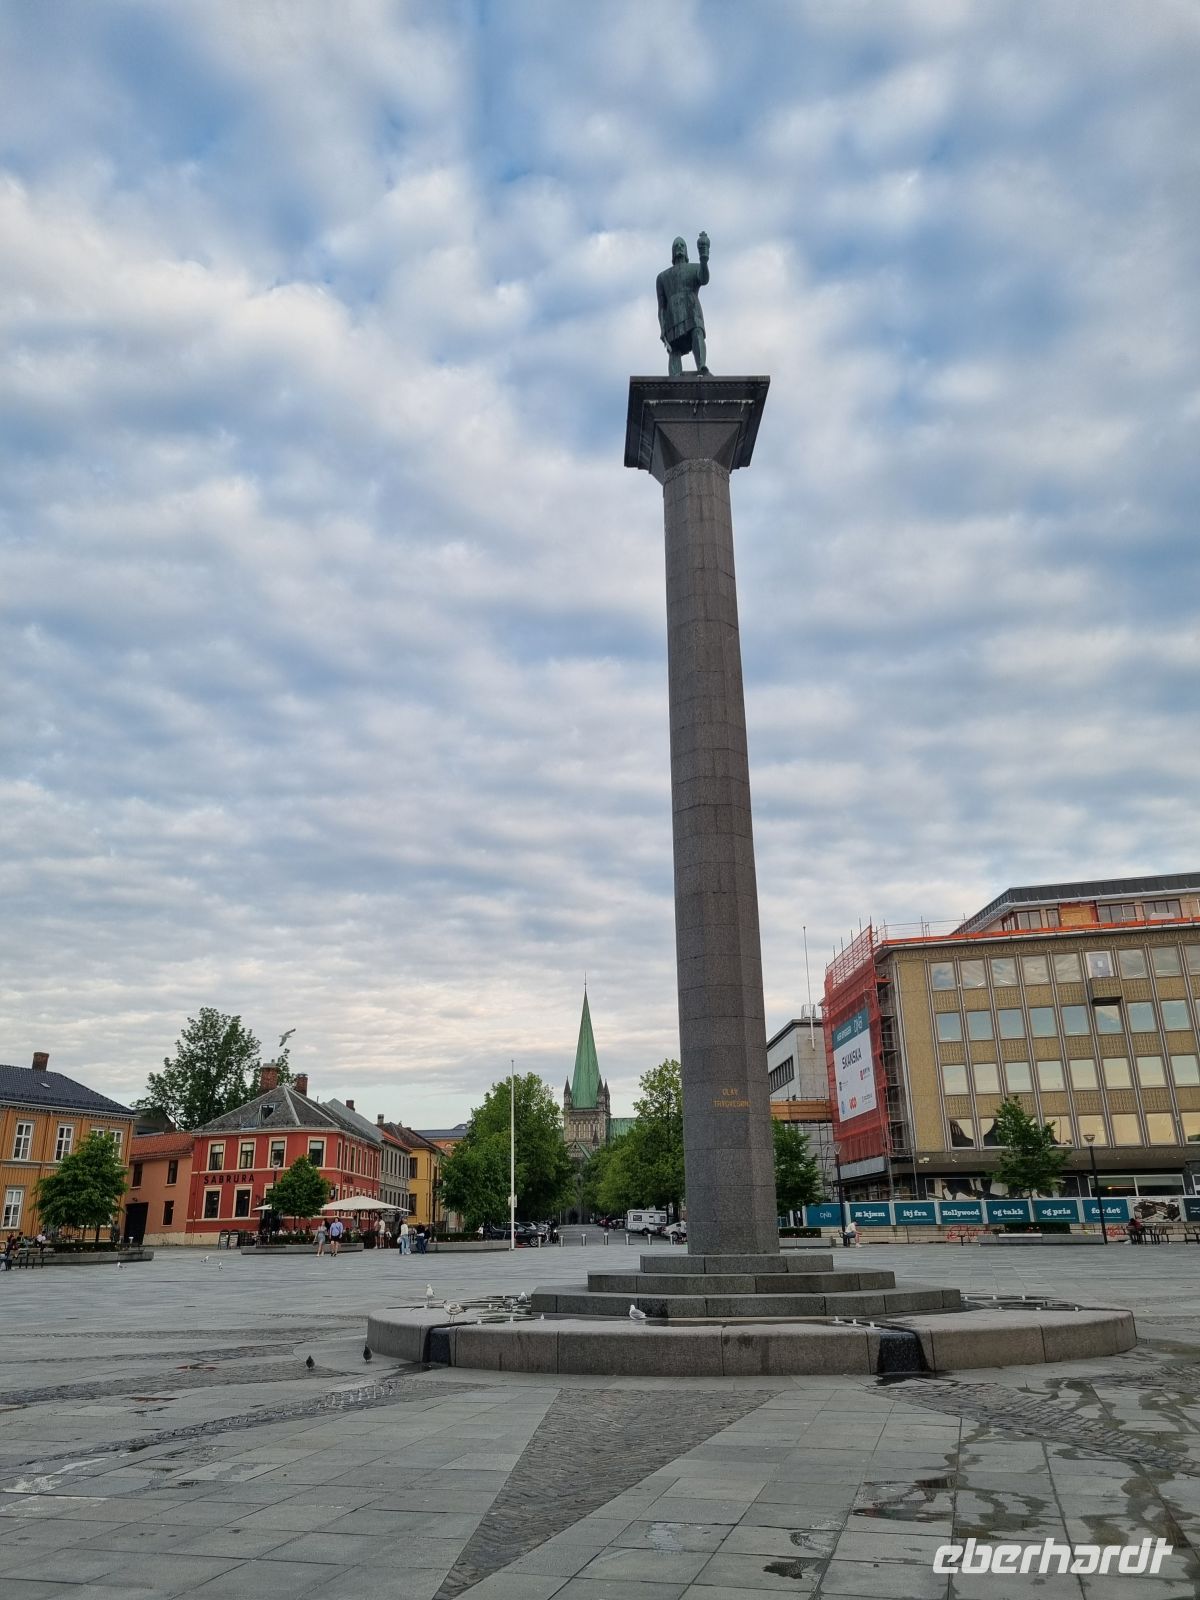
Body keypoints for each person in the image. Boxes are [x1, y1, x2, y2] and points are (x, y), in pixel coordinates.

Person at [656, 232, 711, 377]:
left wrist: (704, 259)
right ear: (672, 252)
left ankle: (702, 366)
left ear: (686, 251)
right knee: (674, 348)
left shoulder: (694, 268)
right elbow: (661, 307)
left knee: (697, 333)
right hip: (672, 314)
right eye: (676, 246)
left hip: (692, 309)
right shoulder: (662, 277)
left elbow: (704, 279)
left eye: (682, 245)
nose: (679, 248)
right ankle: (674, 377)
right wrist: (662, 329)